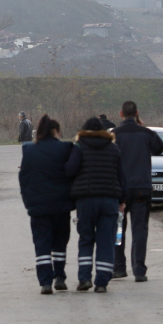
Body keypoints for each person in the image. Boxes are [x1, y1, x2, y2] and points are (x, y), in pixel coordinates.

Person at [66, 117, 125, 293]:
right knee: (106, 241)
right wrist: (122, 201)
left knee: (86, 238)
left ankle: (84, 278)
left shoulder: (79, 147)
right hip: (109, 200)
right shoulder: (114, 149)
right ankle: (102, 282)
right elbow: (121, 176)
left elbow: (70, 170)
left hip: (86, 200)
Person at [18, 115, 75, 294]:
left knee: (42, 244)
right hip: (61, 206)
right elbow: (72, 174)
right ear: (55, 131)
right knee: (60, 242)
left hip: (38, 208)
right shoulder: (65, 148)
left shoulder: (29, 150)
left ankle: (45, 282)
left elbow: (24, 178)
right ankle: (59, 276)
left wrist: (28, 202)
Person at [112, 100, 163, 282]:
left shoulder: (114, 135)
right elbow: (159, 148)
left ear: (121, 114)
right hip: (142, 188)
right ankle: (139, 270)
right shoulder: (146, 133)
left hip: (120, 190)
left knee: (118, 228)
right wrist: (143, 128)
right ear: (137, 114)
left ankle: (118, 268)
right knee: (139, 229)